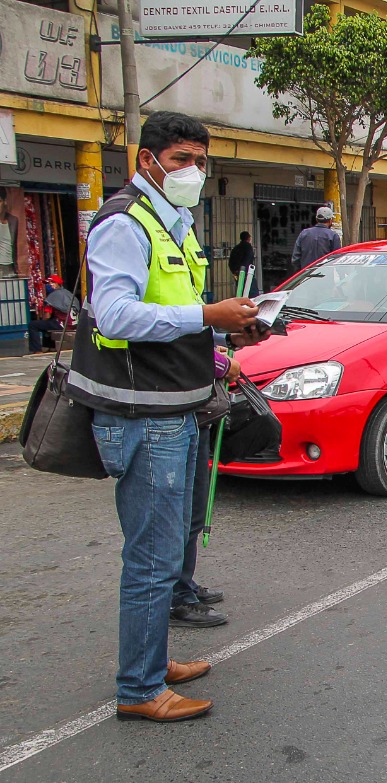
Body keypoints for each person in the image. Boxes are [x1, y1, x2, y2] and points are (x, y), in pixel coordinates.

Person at [66, 111, 268, 722]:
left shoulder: (172, 223)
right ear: (147, 159)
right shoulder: (125, 222)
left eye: (202, 161)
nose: (194, 172)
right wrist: (208, 319)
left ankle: (152, 662)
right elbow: (117, 316)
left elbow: (175, 309)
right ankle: (140, 691)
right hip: (142, 413)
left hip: (177, 406)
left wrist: (219, 352)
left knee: (170, 546)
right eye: (183, 159)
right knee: (152, 556)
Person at [170, 348, 239, 629]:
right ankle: (175, 597)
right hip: (171, 413)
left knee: (195, 509)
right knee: (180, 514)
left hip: (194, 412)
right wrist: (221, 363)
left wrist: (215, 344)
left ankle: (183, 583)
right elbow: (176, 338)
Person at [27, 275, 76, 354]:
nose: (49, 285)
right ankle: (51, 347)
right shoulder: (68, 293)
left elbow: (47, 316)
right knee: (50, 322)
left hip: (63, 324)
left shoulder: (53, 296)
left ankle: (37, 350)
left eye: (52, 282)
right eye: (47, 283)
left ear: (57, 284)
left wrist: (43, 319)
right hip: (73, 323)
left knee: (33, 325)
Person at [291, 206, 341, 273]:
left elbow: (295, 258)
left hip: (305, 277)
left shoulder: (304, 233)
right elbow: (337, 259)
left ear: (316, 219)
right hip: (325, 276)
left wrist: (300, 273)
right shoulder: (333, 236)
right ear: (330, 220)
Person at [228, 231, 259, 297]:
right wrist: (247, 271)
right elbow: (248, 259)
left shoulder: (236, 248)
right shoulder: (248, 247)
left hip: (238, 273)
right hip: (247, 273)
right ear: (248, 238)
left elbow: (231, 261)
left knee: (240, 291)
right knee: (252, 293)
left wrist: (235, 271)